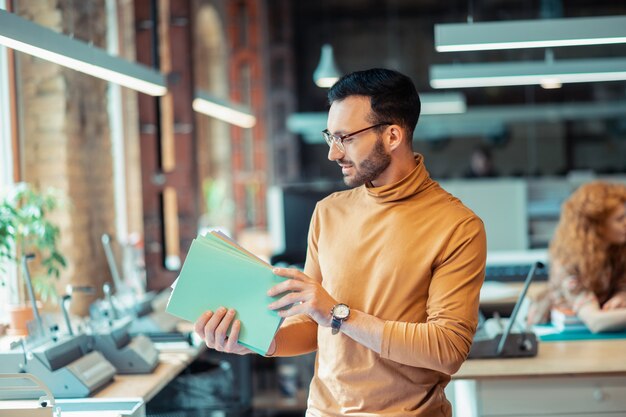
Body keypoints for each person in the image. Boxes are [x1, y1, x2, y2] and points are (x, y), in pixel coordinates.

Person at [194, 68, 487, 416]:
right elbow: (313, 322)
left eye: (345, 138)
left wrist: (338, 313)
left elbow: (447, 350)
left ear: (392, 135)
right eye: (330, 137)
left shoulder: (457, 225)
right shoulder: (328, 213)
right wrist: (260, 341)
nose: (333, 154)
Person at [527, 181, 626, 332]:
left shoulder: (617, 249)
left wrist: (621, 295)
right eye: (620, 219)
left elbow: (621, 284)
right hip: (564, 336)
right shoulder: (568, 262)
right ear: (595, 226)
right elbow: (596, 321)